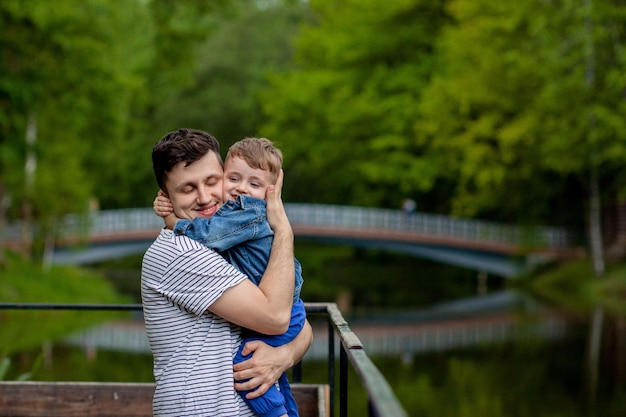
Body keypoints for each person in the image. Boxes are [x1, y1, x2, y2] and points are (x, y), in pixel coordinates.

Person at [142, 128, 312, 417]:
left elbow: (302, 325)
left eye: (213, 181)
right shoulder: (181, 252)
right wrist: (283, 228)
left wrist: (281, 356)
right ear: (165, 197)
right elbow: (277, 317)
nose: (205, 197)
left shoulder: (227, 242)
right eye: (187, 188)